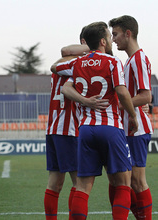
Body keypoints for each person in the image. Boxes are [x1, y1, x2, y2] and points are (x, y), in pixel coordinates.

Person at [54, 21, 138, 220]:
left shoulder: (77, 63)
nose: (111, 40)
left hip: (85, 130)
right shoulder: (112, 61)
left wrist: (84, 101)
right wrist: (133, 116)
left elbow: (60, 77)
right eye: (109, 37)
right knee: (123, 184)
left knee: (82, 187)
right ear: (102, 41)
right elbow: (122, 92)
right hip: (110, 127)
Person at [44, 28, 109, 220]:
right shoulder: (78, 64)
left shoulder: (62, 65)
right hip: (68, 129)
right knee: (79, 183)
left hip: (54, 128)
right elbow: (66, 50)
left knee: (55, 183)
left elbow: (62, 53)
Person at [109, 15, 153, 219]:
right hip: (128, 128)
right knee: (121, 181)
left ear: (128, 33)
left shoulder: (138, 59)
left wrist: (118, 105)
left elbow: (146, 95)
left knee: (136, 182)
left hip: (137, 129)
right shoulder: (130, 61)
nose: (113, 38)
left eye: (116, 34)